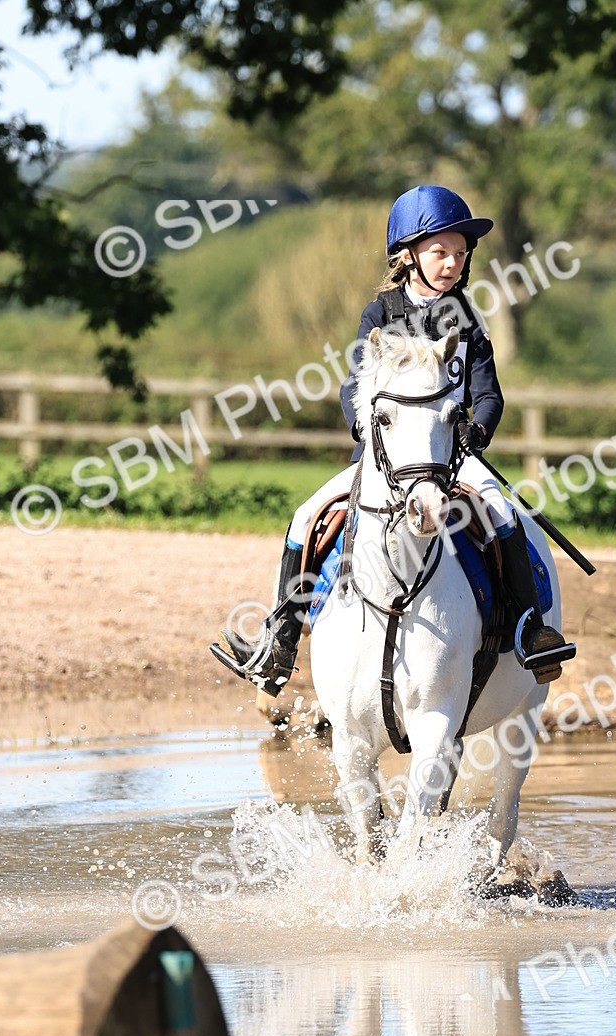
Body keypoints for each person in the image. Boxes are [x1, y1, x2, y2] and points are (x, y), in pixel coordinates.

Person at [215, 185, 576, 695]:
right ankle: (281, 643)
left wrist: (477, 429)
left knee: (500, 510)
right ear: (408, 256)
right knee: (305, 515)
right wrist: (368, 434)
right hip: (385, 458)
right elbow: (354, 388)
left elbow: (489, 394)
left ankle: (529, 629)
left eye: (460, 254)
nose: (452, 263)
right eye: (440, 252)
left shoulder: (468, 320)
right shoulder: (379, 314)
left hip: (451, 455)